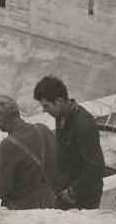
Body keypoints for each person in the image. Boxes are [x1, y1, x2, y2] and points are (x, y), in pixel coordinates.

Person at [33, 75, 107, 210]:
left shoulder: (83, 124)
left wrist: (73, 192)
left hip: (84, 196)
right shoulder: (61, 115)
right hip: (67, 188)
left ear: (59, 101)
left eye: (46, 106)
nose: (44, 110)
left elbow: (96, 167)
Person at [0, 95, 60, 210]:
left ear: (1, 119)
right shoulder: (43, 129)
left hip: (25, 209)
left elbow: (0, 190)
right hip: (53, 201)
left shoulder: (8, 145)